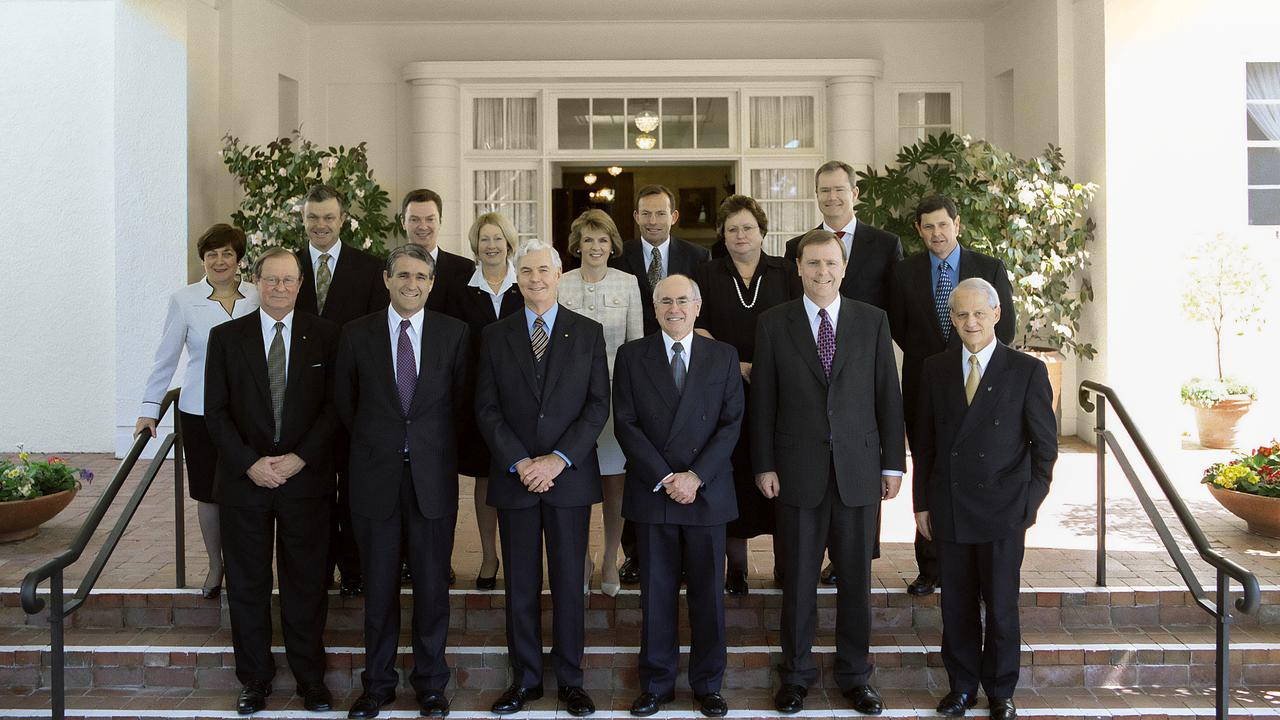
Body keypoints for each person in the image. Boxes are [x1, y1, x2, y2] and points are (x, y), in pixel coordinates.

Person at [751, 229, 905, 716]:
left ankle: (855, 676)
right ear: (798, 267)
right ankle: (795, 676)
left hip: (859, 471)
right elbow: (764, 402)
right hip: (797, 472)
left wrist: (893, 462)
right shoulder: (774, 323)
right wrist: (764, 464)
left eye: (830, 264)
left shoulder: (873, 321)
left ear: (843, 267)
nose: (822, 273)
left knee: (856, 582)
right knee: (797, 581)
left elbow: (888, 395)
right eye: (812, 264)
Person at [475, 239, 610, 717]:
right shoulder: (495, 335)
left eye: (543, 271)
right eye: (526, 271)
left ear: (558, 275)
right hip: (515, 478)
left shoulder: (588, 332)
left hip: (567, 478)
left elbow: (598, 407)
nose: (535, 279)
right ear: (517, 278)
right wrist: (521, 461)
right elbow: (486, 409)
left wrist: (556, 459)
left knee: (571, 584)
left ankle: (571, 681)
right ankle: (526, 680)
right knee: (521, 584)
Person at [203, 247, 341, 715]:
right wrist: (249, 463)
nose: (279, 288)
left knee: (305, 584)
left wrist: (301, 458)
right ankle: (255, 679)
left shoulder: (326, 336)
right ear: (255, 282)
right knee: (247, 584)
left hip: (306, 480)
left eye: (288, 280)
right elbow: (215, 413)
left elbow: (335, 408)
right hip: (246, 482)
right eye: (270, 280)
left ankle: (310, 681)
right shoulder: (225, 338)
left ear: (301, 284)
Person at [335, 244, 470, 719]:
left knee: (433, 589)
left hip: (432, 480)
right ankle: (377, 685)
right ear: (386, 279)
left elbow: (459, 405)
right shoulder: (356, 334)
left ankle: (431, 685)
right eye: (403, 275)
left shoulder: (455, 334)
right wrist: (384, 443)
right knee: (379, 588)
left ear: (432, 283)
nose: (412, 283)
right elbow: (345, 405)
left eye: (421, 276)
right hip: (375, 478)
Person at [912, 278, 1056, 720]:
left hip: (1003, 509)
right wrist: (921, 504)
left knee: (1001, 605)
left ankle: (1000, 691)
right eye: (961, 314)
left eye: (979, 313)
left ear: (996, 314)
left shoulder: (1026, 370)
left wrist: (1027, 505)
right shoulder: (934, 369)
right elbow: (926, 444)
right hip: (950, 506)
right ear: (951, 319)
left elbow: (1044, 448)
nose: (970, 322)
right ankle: (961, 688)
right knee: (956, 604)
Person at [613, 274, 743, 719]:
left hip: (706, 492)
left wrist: (695, 477)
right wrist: (668, 476)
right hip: (655, 491)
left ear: (698, 304)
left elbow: (731, 424)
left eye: (682, 300)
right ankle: (656, 683)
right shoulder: (631, 357)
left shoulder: (723, 356)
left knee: (709, 594)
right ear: (654, 307)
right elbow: (626, 423)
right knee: (657, 593)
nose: (674, 308)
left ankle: (709, 685)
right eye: (665, 301)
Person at [888, 194, 1017, 597]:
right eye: (928, 227)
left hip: (979, 385)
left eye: (943, 225)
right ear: (918, 231)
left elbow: (1006, 327)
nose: (936, 233)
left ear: (957, 224)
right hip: (925, 387)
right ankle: (930, 566)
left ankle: (974, 561)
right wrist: (937, 365)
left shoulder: (988, 268)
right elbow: (897, 326)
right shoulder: (905, 272)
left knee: (976, 466)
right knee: (929, 463)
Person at [783, 160, 903, 587]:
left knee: (858, 502)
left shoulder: (884, 244)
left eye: (839, 189)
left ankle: (855, 557)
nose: (832, 197)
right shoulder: (799, 245)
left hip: (861, 373)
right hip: (810, 378)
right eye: (824, 190)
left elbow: (897, 305)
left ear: (855, 193)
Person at [135, 223, 259, 600]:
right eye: (212, 255)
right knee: (208, 493)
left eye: (227, 254)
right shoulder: (184, 299)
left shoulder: (257, 295)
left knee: (251, 489)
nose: (219, 261)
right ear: (202, 259)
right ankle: (215, 564)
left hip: (251, 412)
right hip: (199, 410)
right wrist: (148, 408)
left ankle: (248, 564)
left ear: (239, 259)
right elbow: (165, 358)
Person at [691, 195, 801, 596]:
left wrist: (769, 369)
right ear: (723, 233)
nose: (741, 235)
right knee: (731, 475)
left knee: (781, 474)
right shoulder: (705, 274)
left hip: (781, 392)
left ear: (762, 232)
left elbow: (800, 325)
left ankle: (785, 566)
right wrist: (735, 366)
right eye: (732, 228)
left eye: (748, 228)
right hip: (725, 390)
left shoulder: (787, 272)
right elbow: (695, 326)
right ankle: (735, 569)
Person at [609, 184, 710, 584]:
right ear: (635, 217)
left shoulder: (697, 257)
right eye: (645, 214)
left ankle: (686, 551)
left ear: (674, 217)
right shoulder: (620, 257)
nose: (653, 221)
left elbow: (700, 303)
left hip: (685, 362)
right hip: (641, 367)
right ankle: (634, 553)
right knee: (642, 460)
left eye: (660, 213)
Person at [292, 183, 388, 598]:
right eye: (313, 217)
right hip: (301, 403)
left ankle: (353, 570)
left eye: (329, 217)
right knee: (311, 495)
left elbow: (375, 335)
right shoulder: (288, 266)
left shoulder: (369, 267)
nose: (321, 225)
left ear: (343, 219)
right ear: (303, 220)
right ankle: (315, 572)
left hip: (354, 401)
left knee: (353, 493)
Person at [559, 209, 644, 596]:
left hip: (614, 399)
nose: (595, 247)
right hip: (569, 401)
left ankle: (611, 554)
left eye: (603, 239)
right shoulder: (559, 284)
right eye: (589, 239)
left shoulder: (628, 284)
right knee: (574, 482)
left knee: (615, 484)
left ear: (613, 245)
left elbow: (636, 346)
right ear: (577, 244)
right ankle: (582, 556)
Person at [441, 211, 524, 590]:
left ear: (509, 243)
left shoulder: (525, 285)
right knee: (485, 479)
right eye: (484, 239)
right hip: (477, 402)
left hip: (522, 401)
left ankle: (520, 558)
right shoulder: (459, 290)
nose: (491, 246)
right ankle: (489, 556)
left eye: (498, 238)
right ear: (476, 245)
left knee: (520, 477)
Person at [401, 188, 474, 311]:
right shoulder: (384, 268)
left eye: (430, 219)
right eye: (415, 219)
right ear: (403, 222)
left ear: (440, 221)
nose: (423, 226)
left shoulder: (464, 270)